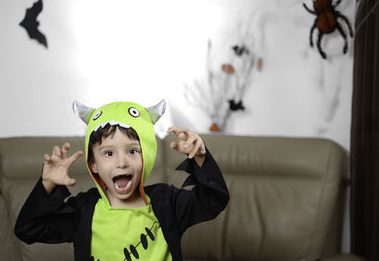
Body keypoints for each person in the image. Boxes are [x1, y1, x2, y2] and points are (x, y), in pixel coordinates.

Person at [14, 99, 229, 261]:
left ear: (148, 154)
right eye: (108, 153)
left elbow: (214, 200)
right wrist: (48, 185)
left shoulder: (167, 202)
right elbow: (28, 228)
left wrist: (200, 156)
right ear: (93, 164)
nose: (121, 163)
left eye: (133, 151)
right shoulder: (84, 210)